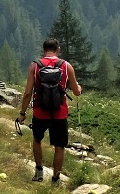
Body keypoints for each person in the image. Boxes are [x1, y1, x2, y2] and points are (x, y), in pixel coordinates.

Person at [17, 38, 82, 184]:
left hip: (40, 112)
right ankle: (55, 179)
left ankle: (39, 171)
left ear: (43, 50)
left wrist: (22, 113)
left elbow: (28, 93)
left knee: (37, 139)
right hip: (59, 113)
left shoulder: (35, 66)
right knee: (59, 146)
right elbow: (76, 92)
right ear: (58, 49)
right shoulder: (66, 66)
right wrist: (79, 88)